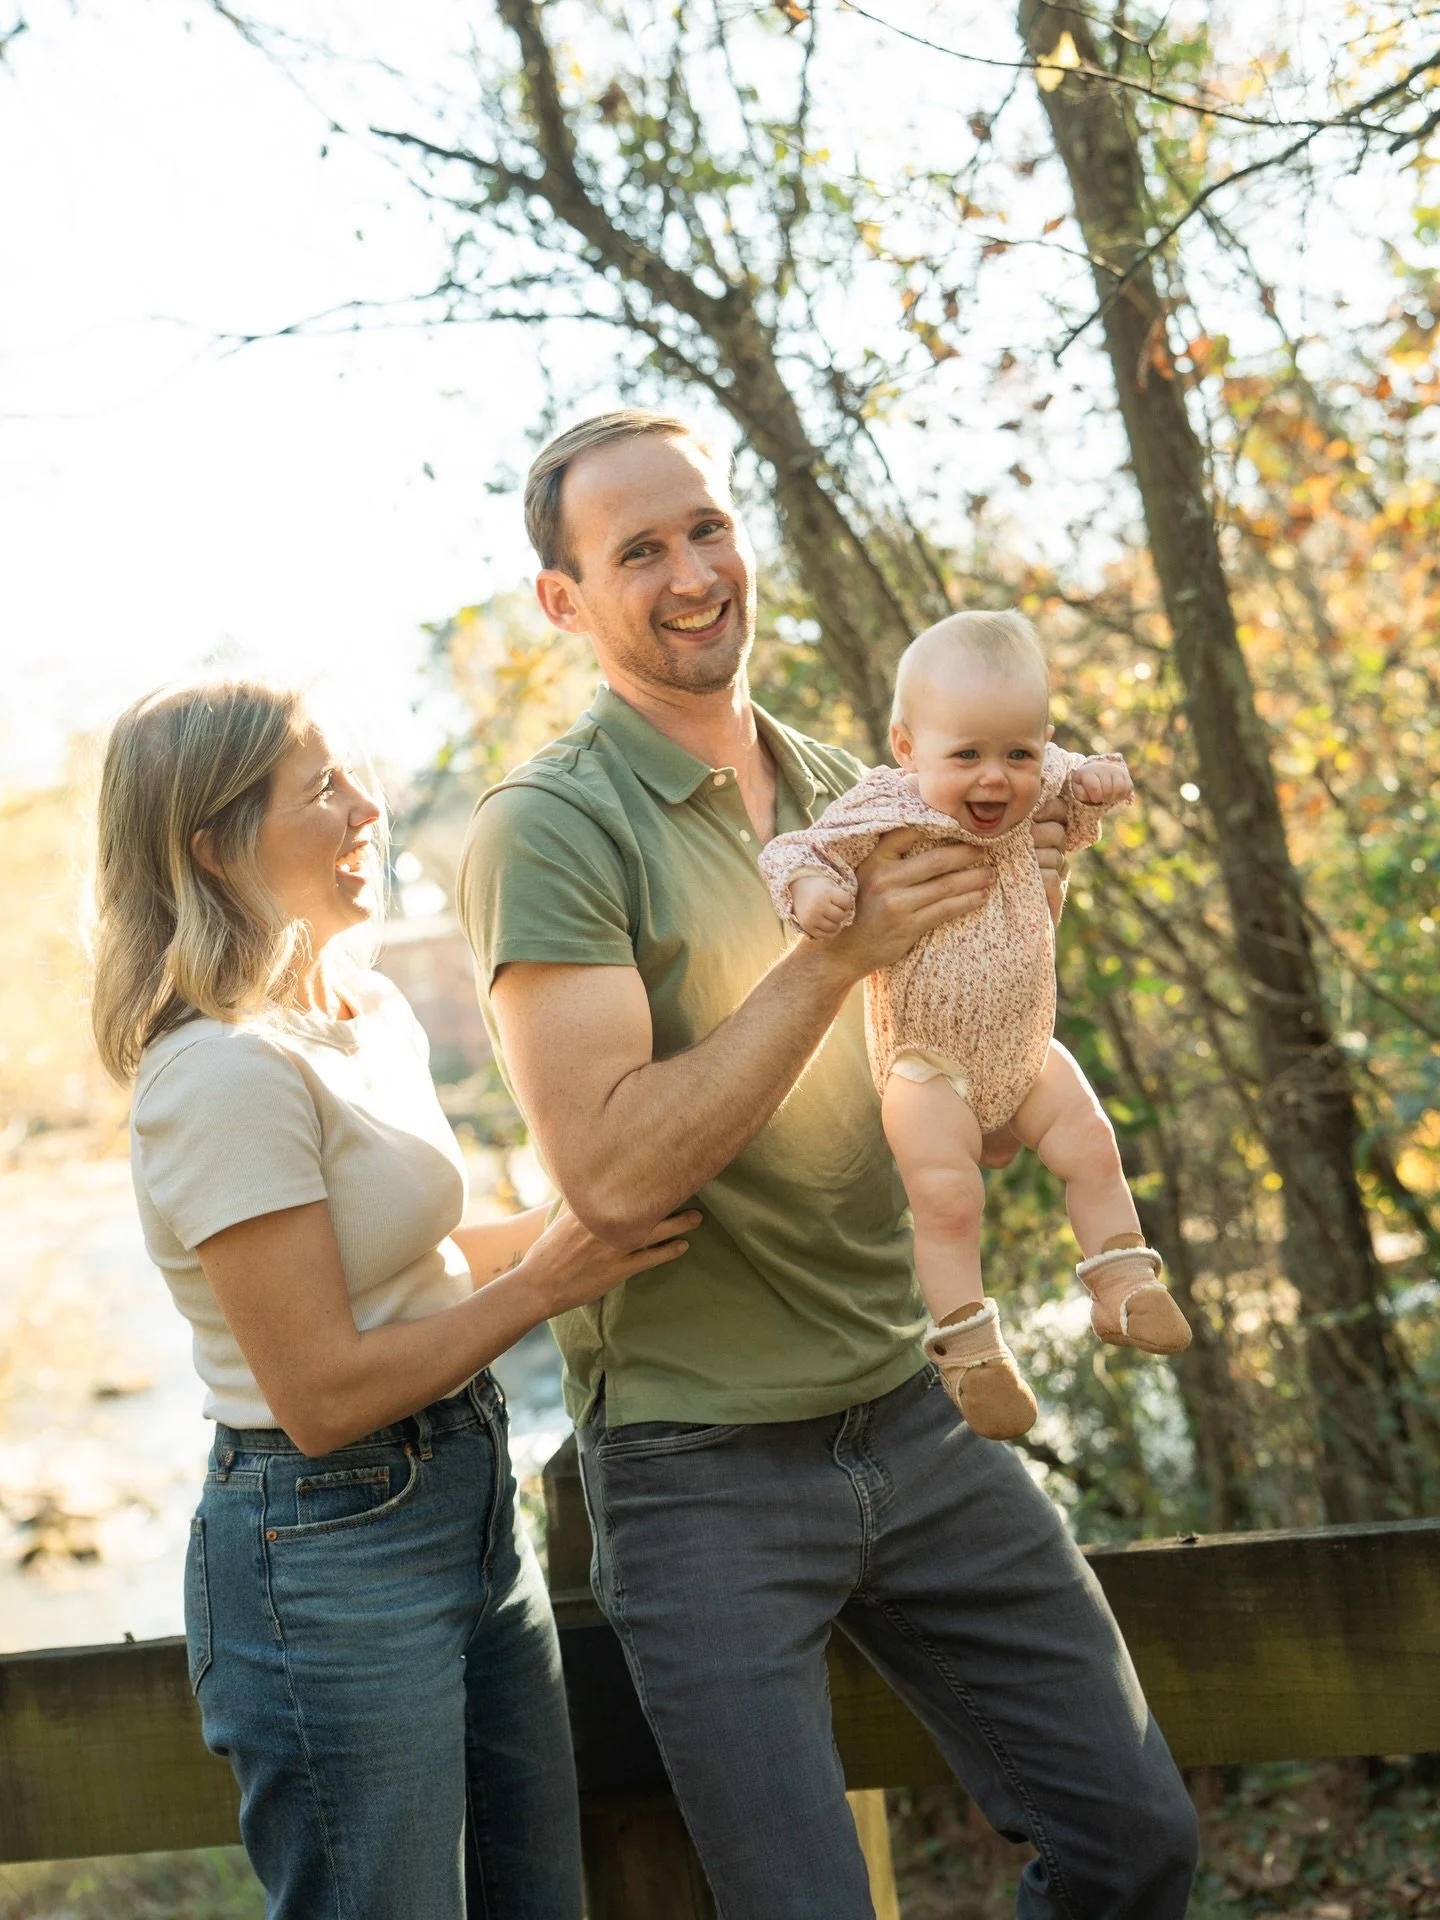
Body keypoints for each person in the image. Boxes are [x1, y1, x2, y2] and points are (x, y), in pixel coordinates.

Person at [457, 409, 1200, 1919]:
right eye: (638, 550)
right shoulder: (550, 827)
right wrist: (835, 959)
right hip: (701, 1472)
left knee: (1137, 1844)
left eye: (707, 528)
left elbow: (927, 1065)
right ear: (566, 600)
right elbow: (608, 1175)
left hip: (919, 1416)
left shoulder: (870, 780)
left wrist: (994, 1101)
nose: (691, 573)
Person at [90, 678, 696, 1920]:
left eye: (355, 774)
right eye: (322, 789)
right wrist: (548, 1282)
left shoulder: (360, 1011)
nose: (369, 807)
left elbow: (407, 1260)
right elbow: (319, 1391)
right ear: (213, 844)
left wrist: (618, 1207)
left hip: (470, 1498)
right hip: (325, 1548)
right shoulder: (218, 1074)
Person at [759, 609, 1191, 1441]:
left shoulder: (1042, 779)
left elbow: (1098, 770)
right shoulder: (885, 806)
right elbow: (792, 851)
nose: (995, 779)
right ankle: (969, 1349)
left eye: (1017, 755)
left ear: (1040, 744)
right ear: (906, 746)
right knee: (950, 1198)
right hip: (928, 1062)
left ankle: (1122, 1281)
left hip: (1026, 1046)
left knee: (1092, 1145)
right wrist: (816, 893)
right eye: (967, 756)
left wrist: (1102, 777)